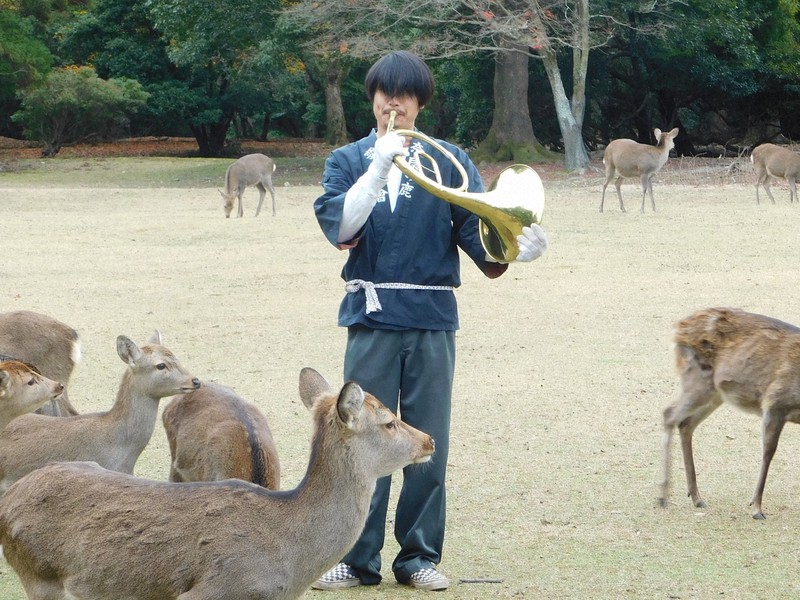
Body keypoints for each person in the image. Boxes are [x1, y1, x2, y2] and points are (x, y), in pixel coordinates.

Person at [312, 50, 548, 592]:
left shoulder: (451, 161)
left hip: (433, 319)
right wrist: (377, 165)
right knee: (359, 439)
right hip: (371, 317)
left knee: (426, 437)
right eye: (385, 91)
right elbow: (341, 227)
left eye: (407, 93)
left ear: (420, 102)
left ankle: (417, 556)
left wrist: (517, 247)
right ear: (371, 97)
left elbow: (481, 239)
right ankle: (356, 557)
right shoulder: (347, 161)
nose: (394, 102)